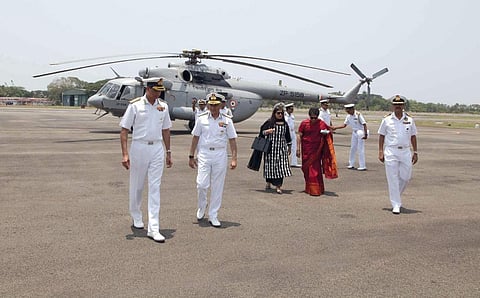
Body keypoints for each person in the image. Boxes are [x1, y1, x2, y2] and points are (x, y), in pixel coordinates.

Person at [119, 78, 172, 243]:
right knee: (137, 185)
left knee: (155, 187)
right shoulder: (135, 105)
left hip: (156, 147)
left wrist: (168, 152)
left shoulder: (163, 106)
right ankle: (136, 214)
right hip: (139, 147)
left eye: (160, 91)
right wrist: (125, 154)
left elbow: (166, 130)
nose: (158, 94)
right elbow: (124, 130)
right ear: (147, 89)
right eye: (155, 90)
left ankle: (154, 228)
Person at [188, 93, 238, 227]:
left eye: (216, 105)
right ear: (208, 105)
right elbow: (195, 138)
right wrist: (191, 156)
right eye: (211, 105)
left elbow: (232, 139)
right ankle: (202, 206)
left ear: (220, 105)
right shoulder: (201, 118)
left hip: (220, 154)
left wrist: (234, 158)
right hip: (204, 153)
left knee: (217, 186)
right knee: (202, 184)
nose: (213, 108)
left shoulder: (227, 120)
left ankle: (213, 214)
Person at [378, 95, 418, 214]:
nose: (398, 107)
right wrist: (380, 151)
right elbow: (381, 135)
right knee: (393, 179)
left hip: (405, 151)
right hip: (391, 151)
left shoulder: (410, 120)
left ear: (403, 106)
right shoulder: (386, 120)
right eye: (396, 105)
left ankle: (396, 197)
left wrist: (415, 152)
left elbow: (413, 136)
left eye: (400, 105)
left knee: (406, 177)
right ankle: (396, 204)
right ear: (392, 106)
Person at [297, 107, 338, 196]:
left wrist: (326, 134)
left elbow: (329, 130)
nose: (313, 120)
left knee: (315, 170)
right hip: (306, 150)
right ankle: (308, 188)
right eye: (312, 118)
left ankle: (315, 190)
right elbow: (299, 135)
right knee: (306, 169)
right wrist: (298, 148)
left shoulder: (321, 124)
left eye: (315, 118)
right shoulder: (304, 123)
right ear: (309, 116)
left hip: (317, 150)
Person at [259, 103, 292, 194]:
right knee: (270, 167)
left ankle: (278, 186)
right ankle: (268, 182)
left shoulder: (285, 124)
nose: (280, 115)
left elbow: (288, 136)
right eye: (278, 113)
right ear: (274, 113)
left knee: (281, 167)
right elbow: (262, 132)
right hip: (270, 149)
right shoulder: (269, 123)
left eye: (281, 113)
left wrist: (289, 147)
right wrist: (267, 132)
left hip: (281, 149)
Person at [333, 104, 368, 171]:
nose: (347, 112)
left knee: (360, 149)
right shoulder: (348, 116)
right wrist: (335, 127)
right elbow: (344, 125)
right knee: (353, 148)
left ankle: (362, 165)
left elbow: (364, 124)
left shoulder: (358, 115)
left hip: (360, 132)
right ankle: (351, 164)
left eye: (348, 110)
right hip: (354, 132)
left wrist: (365, 134)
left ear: (352, 109)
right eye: (347, 111)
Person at [285, 103, 300, 167]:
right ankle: (284, 162)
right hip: (287, 133)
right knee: (286, 148)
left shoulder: (292, 116)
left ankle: (294, 162)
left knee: (294, 147)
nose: (292, 110)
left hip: (292, 132)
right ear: (287, 109)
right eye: (291, 109)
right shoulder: (285, 117)